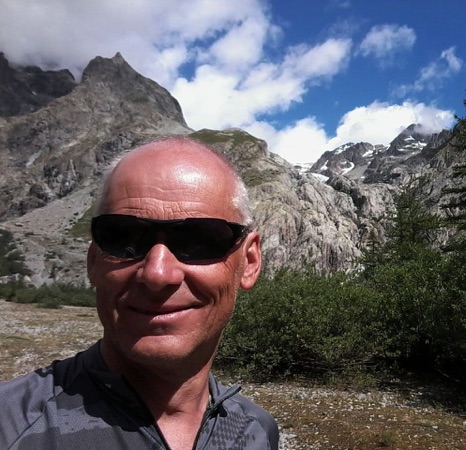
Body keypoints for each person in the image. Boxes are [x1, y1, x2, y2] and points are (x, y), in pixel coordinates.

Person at [0, 137, 279, 450]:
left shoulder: (258, 431)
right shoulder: (9, 426)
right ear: (93, 261)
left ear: (249, 262)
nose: (157, 274)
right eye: (123, 238)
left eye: (199, 239)